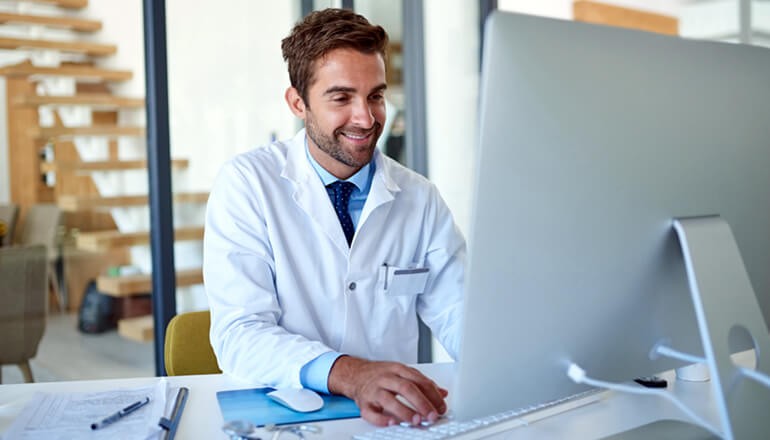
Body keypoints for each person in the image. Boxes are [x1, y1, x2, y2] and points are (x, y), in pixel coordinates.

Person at [204, 8, 465, 427]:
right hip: (280, 420)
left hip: (394, 424)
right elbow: (239, 333)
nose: (366, 118)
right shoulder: (247, 184)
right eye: (342, 98)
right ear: (298, 103)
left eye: (376, 95)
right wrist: (352, 374)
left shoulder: (419, 197)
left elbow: (460, 315)